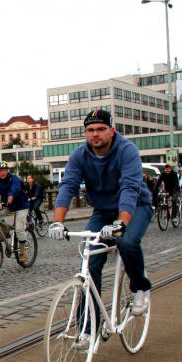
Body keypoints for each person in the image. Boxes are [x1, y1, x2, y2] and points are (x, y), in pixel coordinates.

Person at [48, 110, 153, 347]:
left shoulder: (127, 151)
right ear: (86, 133)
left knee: (126, 242)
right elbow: (68, 186)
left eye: (100, 129)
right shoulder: (79, 155)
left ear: (111, 131)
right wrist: (58, 221)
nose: (95, 134)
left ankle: (140, 288)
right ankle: (87, 328)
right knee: (89, 261)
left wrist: (121, 223)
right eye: (90, 130)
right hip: (103, 211)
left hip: (135, 207)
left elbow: (129, 188)